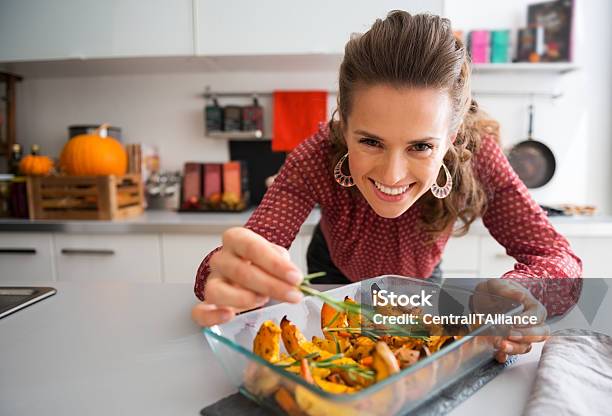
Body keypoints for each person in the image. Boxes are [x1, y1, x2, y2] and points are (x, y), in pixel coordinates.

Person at [191, 11, 582, 363]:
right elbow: (243, 256)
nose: (393, 175)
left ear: (451, 137)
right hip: (332, 274)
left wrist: (521, 295)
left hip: (420, 282)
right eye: (371, 142)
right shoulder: (313, 156)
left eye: (422, 146)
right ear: (344, 125)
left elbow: (560, 259)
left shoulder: (480, 157)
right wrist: (227, 278)